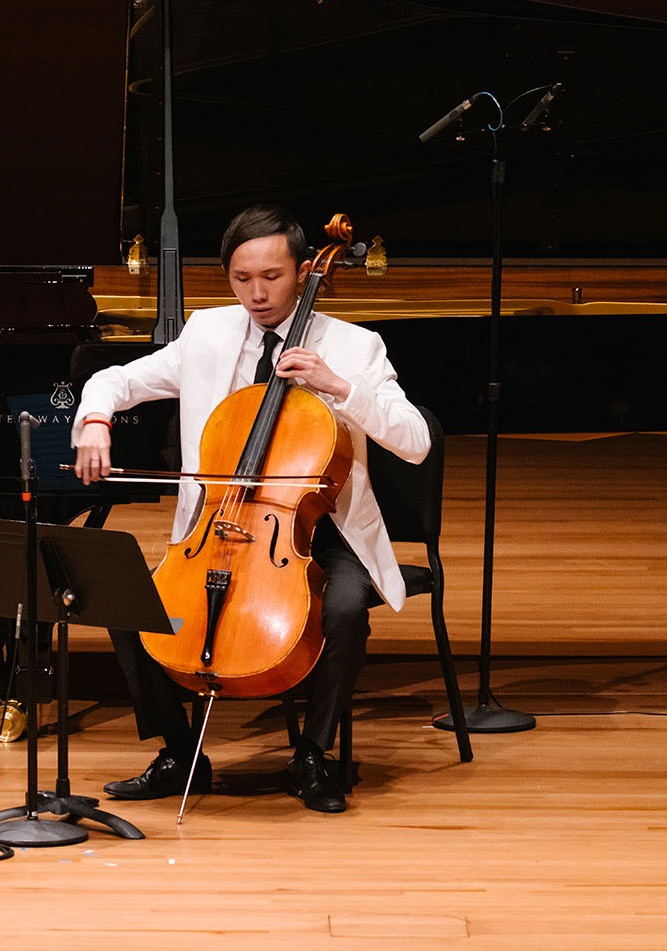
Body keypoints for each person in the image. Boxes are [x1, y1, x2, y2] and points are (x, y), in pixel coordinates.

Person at [72, 204, 430, 813]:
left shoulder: (355, 345)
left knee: (344, 608)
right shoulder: (207, 334)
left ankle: (312, 755)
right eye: (242, 280)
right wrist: (96, 420)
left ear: (301, 273)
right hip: (223, 522)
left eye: (272, 277)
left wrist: (339, 386)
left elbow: (416, 440)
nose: (257, 294)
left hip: (324, 522)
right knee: (128, 602)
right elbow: (115, 379)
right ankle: (180, 753)